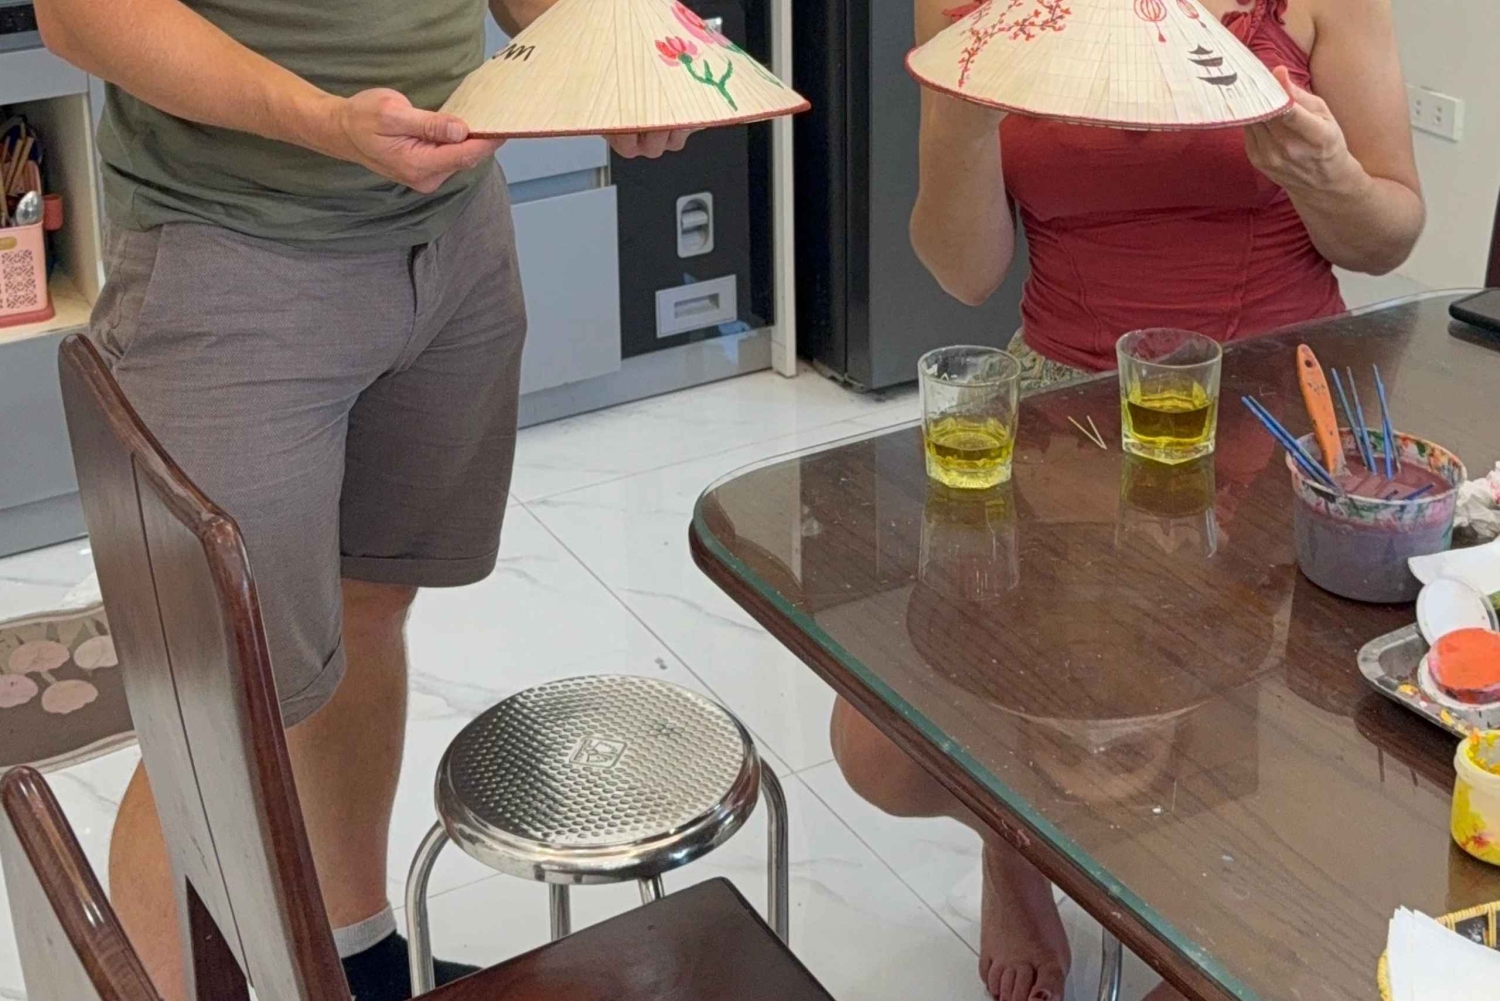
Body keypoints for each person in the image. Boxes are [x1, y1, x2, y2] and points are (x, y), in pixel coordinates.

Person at [34, 0, 690, 998]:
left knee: (370, 602)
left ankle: (355, 954)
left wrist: (600, 54)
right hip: (229, 250)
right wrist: (322, 121)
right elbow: (83, 17)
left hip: (452, 231)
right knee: (217, 714)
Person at [833, 0, 1423, 999]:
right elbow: (964, 271)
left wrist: (1328, 178)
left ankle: (1210, 915)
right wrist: (963, 123)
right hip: (1065, 406)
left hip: (1281, 399)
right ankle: (1013, 838)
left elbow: (1389, 235)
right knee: (877, 751)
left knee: (1302, 741)